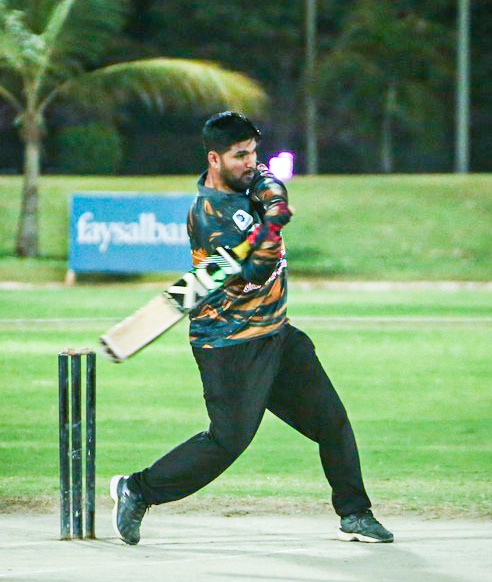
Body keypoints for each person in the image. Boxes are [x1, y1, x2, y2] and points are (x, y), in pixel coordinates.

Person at [110, 111, 393, 545]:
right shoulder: (210, 217)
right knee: (228, 442)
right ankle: (137, 490)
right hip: (229, 344)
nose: (250, 162)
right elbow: (255, 274)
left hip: (277, 335)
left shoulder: (247, 179)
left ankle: (355, 514)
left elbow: (267, 182)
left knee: (332, 421)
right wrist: (271, 228)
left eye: (253, 152)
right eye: (240, 155)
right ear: (214, 159)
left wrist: (274, 205)